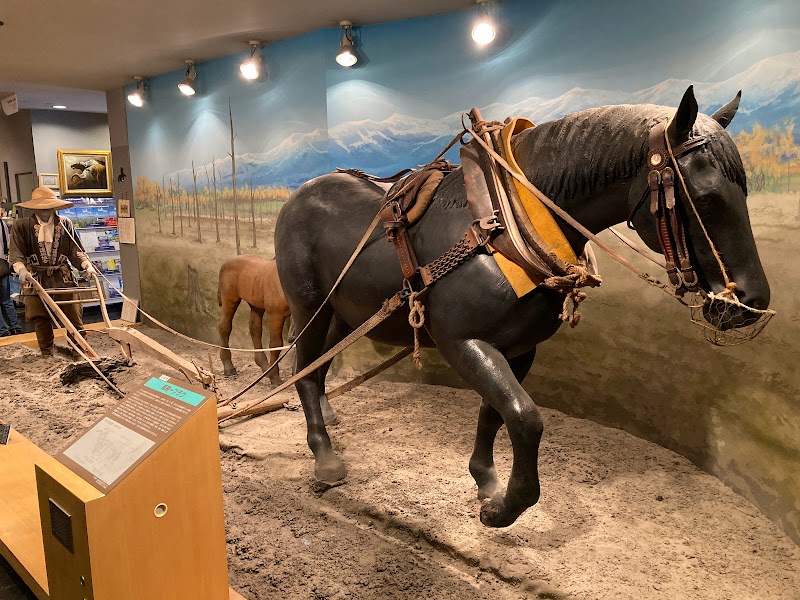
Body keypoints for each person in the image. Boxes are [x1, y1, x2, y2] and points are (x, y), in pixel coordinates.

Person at [9, 187, 97, 356]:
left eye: (48, 206)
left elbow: (75, 250)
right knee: (40, 318)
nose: (45, 211)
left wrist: (86, 264)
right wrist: (20, 269)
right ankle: (47, 353)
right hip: (36, 277)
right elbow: (16, 252)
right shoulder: (21, 226)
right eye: (41, 207)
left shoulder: (65, 223)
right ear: (34, 207)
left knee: (73, 316)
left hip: (62, 276)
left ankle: (80, 350)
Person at [0, 217, 22, 336]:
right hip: (2, 264)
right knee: (6, 299)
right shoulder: (2, 223)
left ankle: (2, 331)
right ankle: (15, 327)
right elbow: (8, 243)